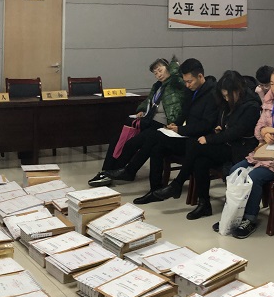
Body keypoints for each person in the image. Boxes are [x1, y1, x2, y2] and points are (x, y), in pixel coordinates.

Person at [217, 65, 274, 238]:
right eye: (272, 84)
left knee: (254, 177)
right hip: (266, 153)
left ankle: (249, 218)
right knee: (235, 170)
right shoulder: (269, 103)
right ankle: (234, 214)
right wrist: (263, 133)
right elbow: (258, 128)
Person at [152, 71, 261, 219]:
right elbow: (226, 124)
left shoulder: (251, 106)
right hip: (226, 144)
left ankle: (177, 184)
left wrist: (209, 139)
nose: (226, 99)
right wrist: (220, 127)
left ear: (238, 90)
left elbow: (236, 132)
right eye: (224, 96)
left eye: (228, 95)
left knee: (196, 146)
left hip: (240, 149)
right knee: (200, 161)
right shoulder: (228, 102)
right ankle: (204, 204)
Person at [120, 58, 218, 203]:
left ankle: (130, 170)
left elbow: (207, 125)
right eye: (185, 81)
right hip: (187, 136)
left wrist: (181, 129)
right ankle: (155, 190)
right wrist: (175, 124)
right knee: (157, 147)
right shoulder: (191, 90)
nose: (187, 85)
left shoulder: (212, 94)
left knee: (154, 136)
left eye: (189, 81)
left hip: (198, 141)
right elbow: (184, 113)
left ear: (200, 76)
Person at [89, 57, 187, 187]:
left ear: (168, 68)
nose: (158, 75)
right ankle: (106, 172)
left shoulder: (176, 84)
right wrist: (141, 109)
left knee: (132, 143)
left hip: (164, 125)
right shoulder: (158, 86)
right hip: (149, 121)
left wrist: (173, 65)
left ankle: (117, 172)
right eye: (155, 73)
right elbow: (148, 101)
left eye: (160, 70)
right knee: (117, 139)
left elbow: (177, 75)